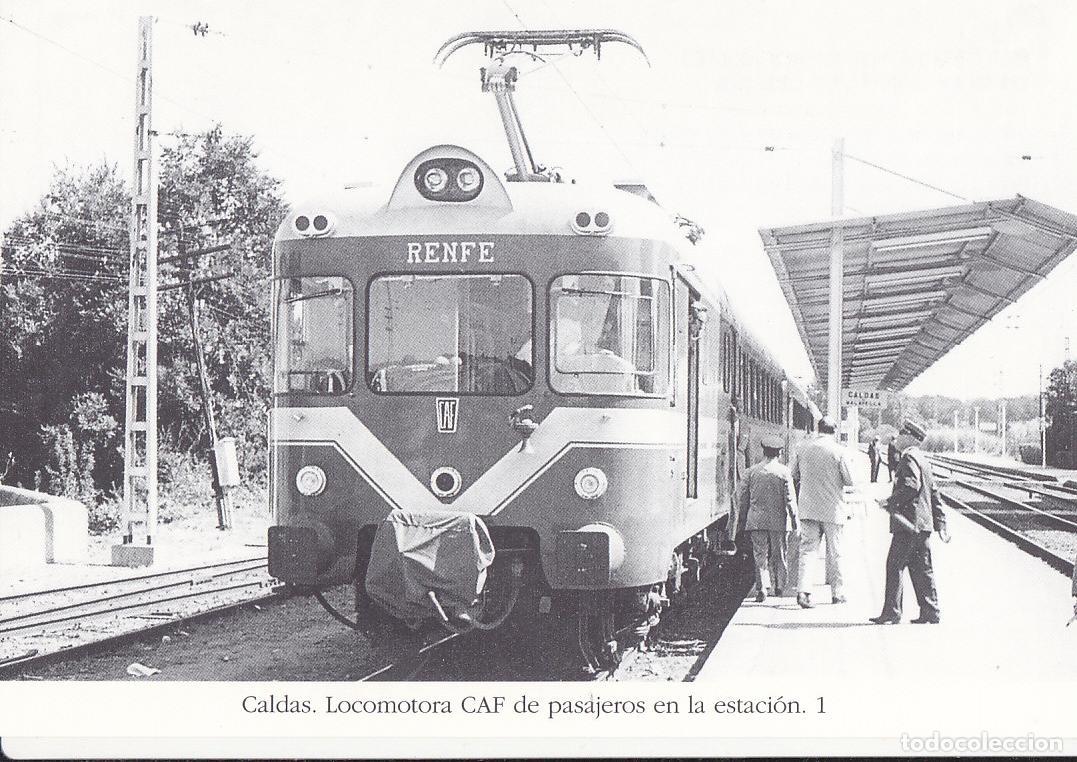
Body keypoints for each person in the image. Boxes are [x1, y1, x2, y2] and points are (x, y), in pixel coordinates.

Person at [871, 419, 950, 625]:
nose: (897, 437)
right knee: (922, 569)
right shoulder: (922, 459)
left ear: (911, 438)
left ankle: (892, 612)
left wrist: (889, 502)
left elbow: (910, 487)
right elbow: (934, 493)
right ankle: (930, 611)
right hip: (922, 525)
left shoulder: (908, 458)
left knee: (894, 566)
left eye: (902, 434)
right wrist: (940, 524)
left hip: (907, 524)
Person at [791, 416, 855, 608]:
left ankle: (803, 593)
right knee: (836, 553)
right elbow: (850, 480)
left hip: (808, 508)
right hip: (833, 510)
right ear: (834, 431)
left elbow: (794, 474)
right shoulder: (839, 451)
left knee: (807, 551)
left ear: (818, 429)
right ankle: (837, 594)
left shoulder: (802, 448)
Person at [736, 434, 799, 602]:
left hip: (756, 520)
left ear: (763, 452)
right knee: (780, 554)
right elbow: (790, 500)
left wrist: (742, 520)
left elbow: (743, 499)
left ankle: (762, 587)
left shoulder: (751, 472)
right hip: (779, 521)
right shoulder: (784, 472)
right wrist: (795, 521)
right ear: (779, 453)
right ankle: (779, 586)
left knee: (760, 555)